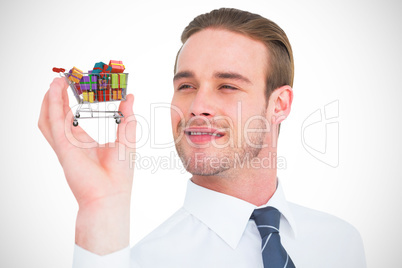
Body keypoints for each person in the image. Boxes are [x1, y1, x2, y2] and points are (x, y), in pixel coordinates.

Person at [38, 8, 366, 268]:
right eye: (186, 86)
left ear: (279, 105)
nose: (197, 106)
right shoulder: (142, 262)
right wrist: (101, 207)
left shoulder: (341, 243)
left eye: (227, 86)